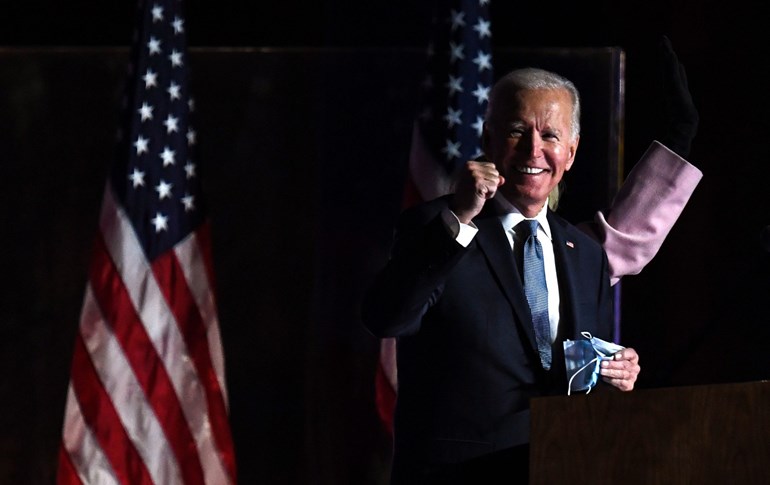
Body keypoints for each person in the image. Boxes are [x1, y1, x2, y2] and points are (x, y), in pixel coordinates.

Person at [363, 67, 639, 484]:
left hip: (560, 465)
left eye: (550, 136)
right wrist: (459, 219)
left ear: (571, 151)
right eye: (516, 131)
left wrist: (614, 371)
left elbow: (580, 372)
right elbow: (387, 318)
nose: (533, 150)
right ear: (489, 140)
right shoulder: (436, 226)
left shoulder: (585, 254)